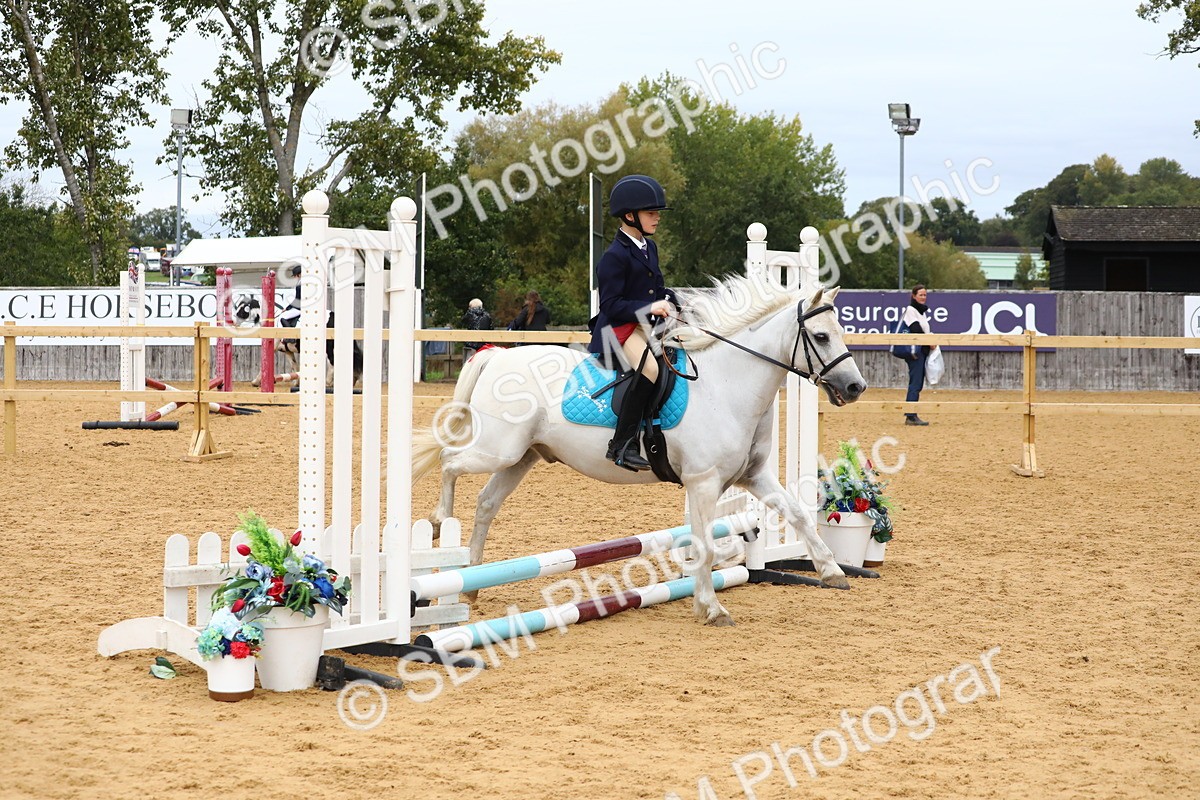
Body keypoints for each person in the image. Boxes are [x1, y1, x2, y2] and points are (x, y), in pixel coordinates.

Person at [587, 174, 678, 471]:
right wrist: (652, 306)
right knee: (649, 369)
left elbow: (657, 288)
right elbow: (611, 306)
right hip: (618, 330)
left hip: (645, 325)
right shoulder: (614, 256)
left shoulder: (649, 248)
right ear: (630, 216)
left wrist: (675, 300)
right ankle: (621, 445)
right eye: (651, 213)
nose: (657, 218)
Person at [902, 284, 937, 426]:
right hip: (915, 352)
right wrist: (929, 342)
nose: (923, 297)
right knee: (915, 383)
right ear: (914, 296)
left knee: (917, 383)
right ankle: (910, 415)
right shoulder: (911, 310)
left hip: (920, 351)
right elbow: (916, 329)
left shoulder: (920, 312)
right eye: (921, 295)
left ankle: (911, 413)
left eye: (925, 295)